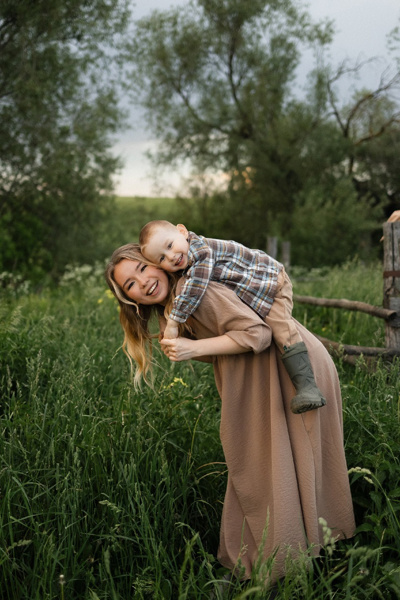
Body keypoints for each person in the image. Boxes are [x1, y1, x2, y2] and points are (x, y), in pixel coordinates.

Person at [105, 243, 356, 586]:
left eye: (143, 269)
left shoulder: (199, 291)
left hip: (289, 372)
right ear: (129, 299)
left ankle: (280, 573)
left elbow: (257, 333)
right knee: (260, 469)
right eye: (130, 284)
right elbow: (224, 346)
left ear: (159, 265)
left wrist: (194, 347)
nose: (143, 281)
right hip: (260, 381)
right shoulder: (175, 309)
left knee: (277, 469)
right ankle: (266, 568)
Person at [139, 219, 326, 415]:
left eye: (170, 245)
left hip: (270, 281)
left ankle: (308, 388)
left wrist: (173, 322)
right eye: (161, 259)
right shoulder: (186, 260)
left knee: (282, 329)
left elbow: (195, 287)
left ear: (182, 231)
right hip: (253, 289)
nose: (170, 256)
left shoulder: (200, 251)